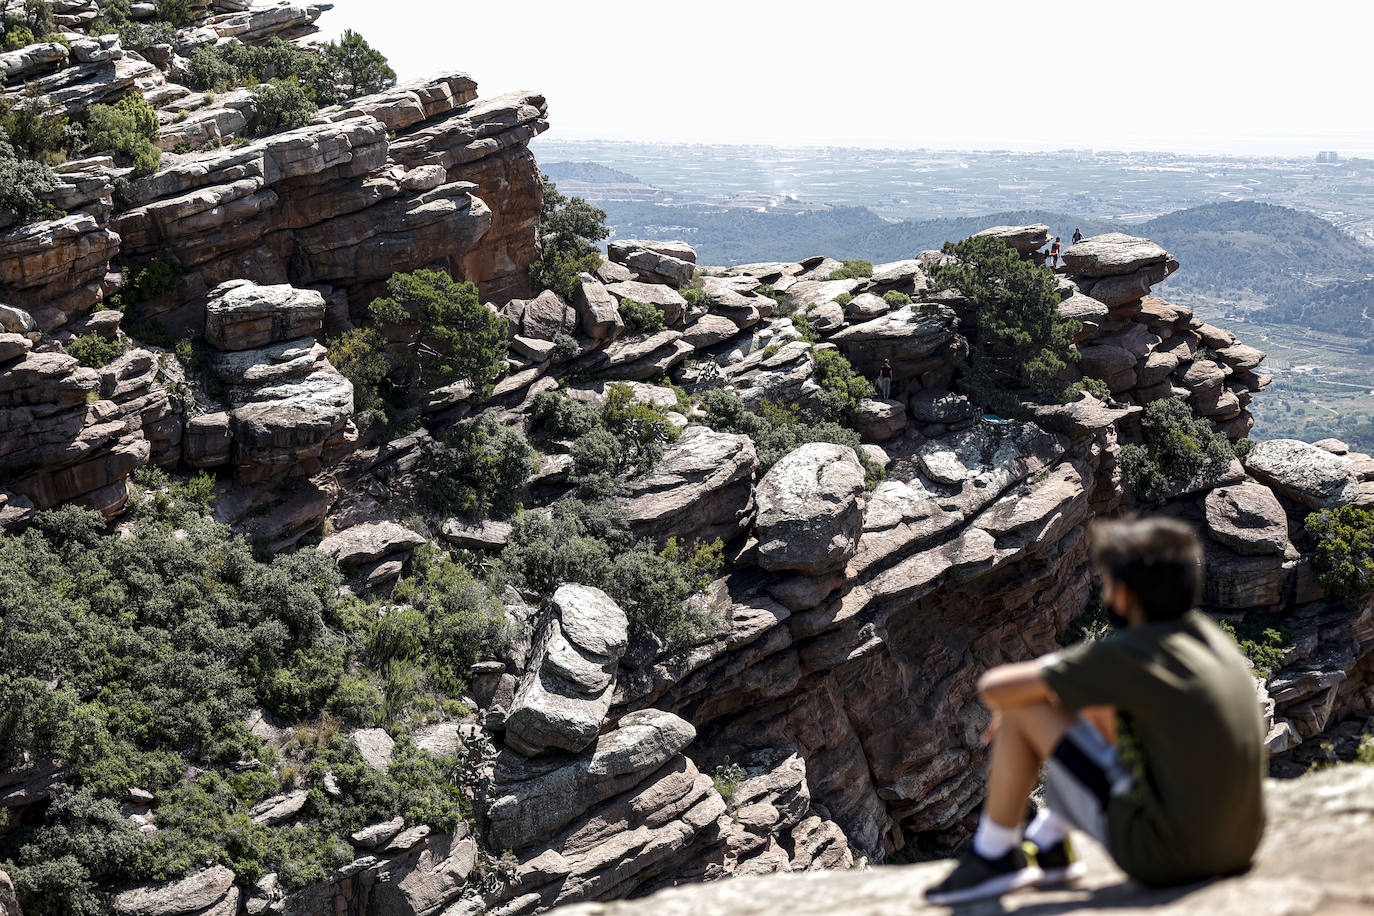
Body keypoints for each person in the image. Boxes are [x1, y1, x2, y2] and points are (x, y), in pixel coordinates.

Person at [925, 517, 1266, 906]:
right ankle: (1050, 843)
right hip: (1240, 846)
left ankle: (996, 855)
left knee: (1022, 711)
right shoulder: (1211, 639)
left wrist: (1040, 694)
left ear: (1123, 595)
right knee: (1087, 700)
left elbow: (995, 688)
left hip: (1167, 857)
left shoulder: (1132, 652)